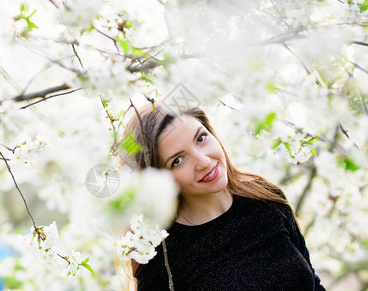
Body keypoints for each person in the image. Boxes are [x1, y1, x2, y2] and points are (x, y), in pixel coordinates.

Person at [119, 101, 326, 291]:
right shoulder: (160, 256)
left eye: (201, 138)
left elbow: (313, 285)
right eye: (178, 160)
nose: (204, 162)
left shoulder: (265, 197)